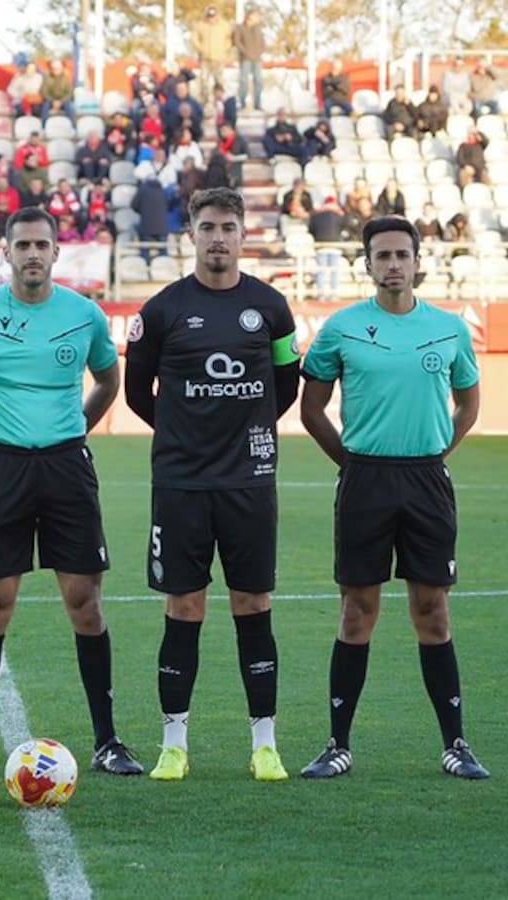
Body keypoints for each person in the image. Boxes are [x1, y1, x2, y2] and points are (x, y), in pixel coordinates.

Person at [0, 206, 144, 779]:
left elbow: (108, 378)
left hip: (66, 470)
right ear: (6, 252)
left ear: (56, 253)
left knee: (86, 605)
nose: (31, 254)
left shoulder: (85, 315)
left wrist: (76, 426)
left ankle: (107, 741)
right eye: (21, 244)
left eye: (40, 245)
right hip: (5, 470)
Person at [298, 216, 488, 781]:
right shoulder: (341, 328)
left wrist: (433, 455)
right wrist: (353, 466)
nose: (393, 265)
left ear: (418, 261)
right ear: (367, 263)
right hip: (365, 481)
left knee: (433, 611)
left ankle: (455, 744)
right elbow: (311, 410)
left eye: (402, 255)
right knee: (358, 612)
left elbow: (468, 404)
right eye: (382, 256)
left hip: (427, 480)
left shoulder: (449, 329)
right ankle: (338, 744)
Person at [124, 187, 301, 783]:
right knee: (185, 605)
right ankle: (174, 744)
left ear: (243, 233)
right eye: (208, 227)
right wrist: (184, 433)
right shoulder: (162, 310)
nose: (218, 237)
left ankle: (265, 745)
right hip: (180, 484)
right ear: (191, 235)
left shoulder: (272, 308)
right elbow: (135, 393)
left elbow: (287, 386)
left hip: (249, 482)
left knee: (254, 605)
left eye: (229, 226)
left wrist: (238, 431)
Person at [233, 7, 265, 110]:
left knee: (258, 81)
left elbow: (262, 42)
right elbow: (237, 42)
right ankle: (242, 103)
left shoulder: (258, 29)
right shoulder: (240, 28)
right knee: (244, 81)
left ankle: (258, 103)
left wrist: (260, 52)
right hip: (245, 58)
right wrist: (245, 52)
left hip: (257, 59)